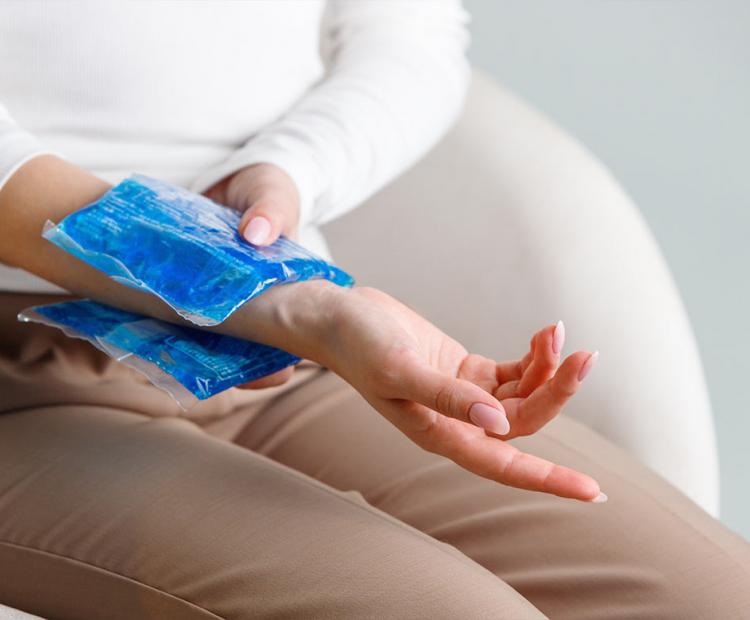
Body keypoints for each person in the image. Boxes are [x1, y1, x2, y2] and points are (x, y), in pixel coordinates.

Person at [0, 2, 747, 618]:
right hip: (27, 381)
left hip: (288, 355)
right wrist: (268, 295)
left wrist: (289, 170)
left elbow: (412, 34)